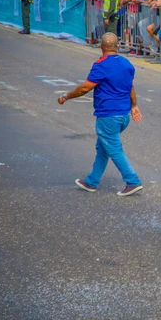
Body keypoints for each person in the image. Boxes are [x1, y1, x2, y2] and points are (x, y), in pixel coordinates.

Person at [57, 33, 143, 197]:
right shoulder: (126, 63)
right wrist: (134, 106)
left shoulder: (101, 65)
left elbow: (85, 88)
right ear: (117, 46)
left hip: (108, 115)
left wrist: (66, 96)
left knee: (114, 149)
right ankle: (91, 181)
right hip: (123, 115)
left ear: (102, 47)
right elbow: (130, 87)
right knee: (103, 147)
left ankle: (132, 181)